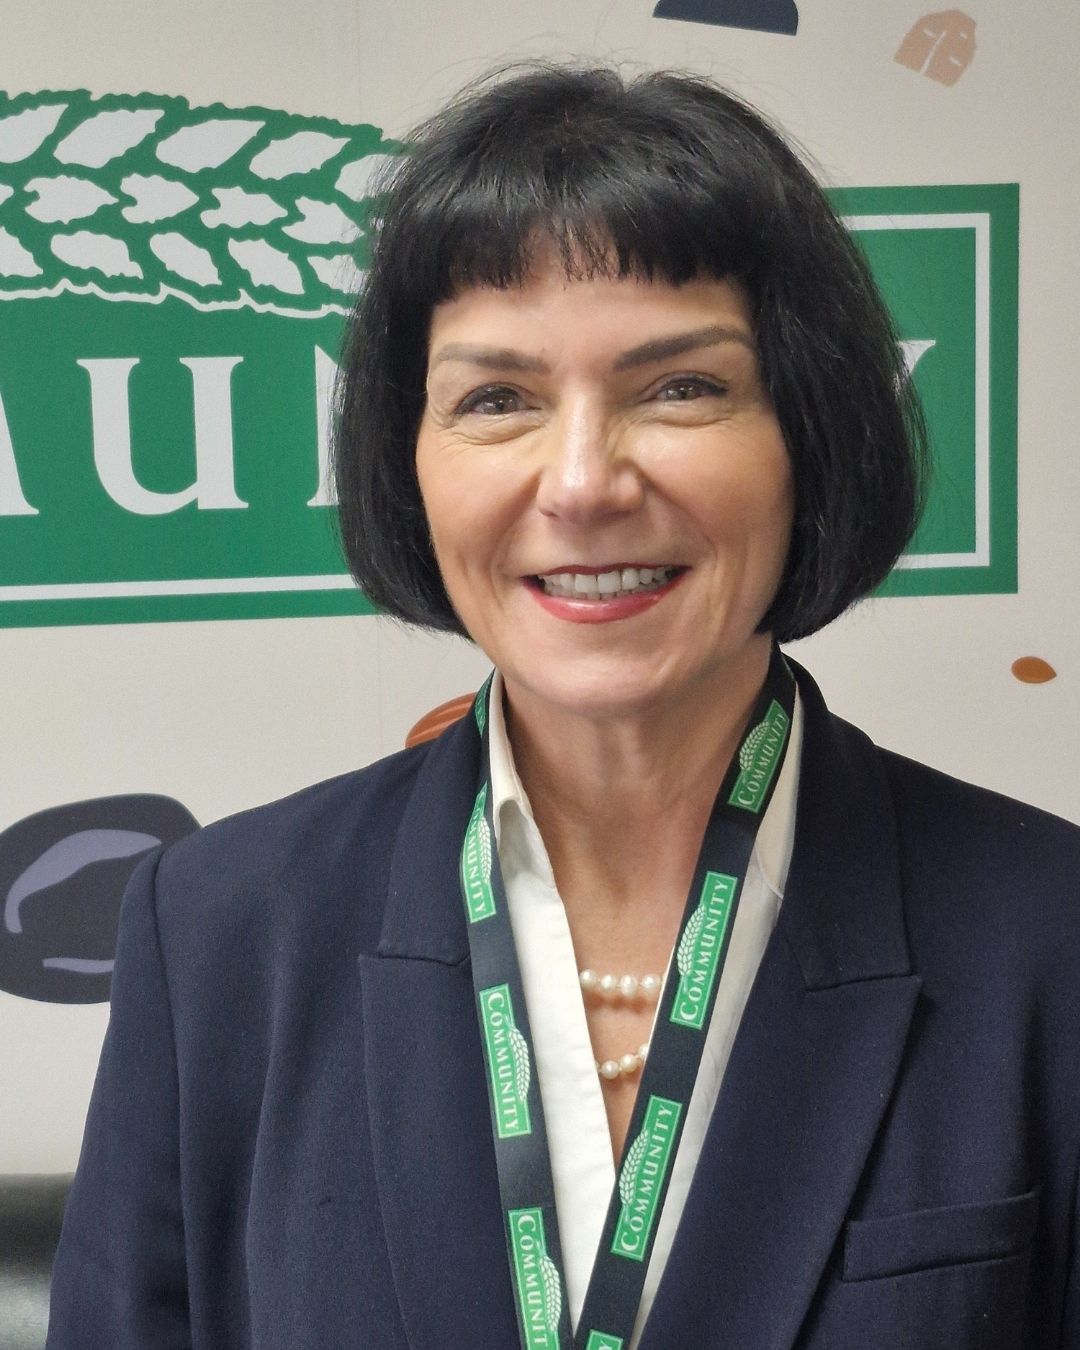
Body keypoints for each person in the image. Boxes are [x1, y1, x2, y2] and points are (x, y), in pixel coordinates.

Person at [48, 64, 1080, 1350]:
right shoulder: (219, 933)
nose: (584, 483)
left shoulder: (1049, 936)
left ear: (809, 434)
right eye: (497, 399)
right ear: (408, 462)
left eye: (680, 386)